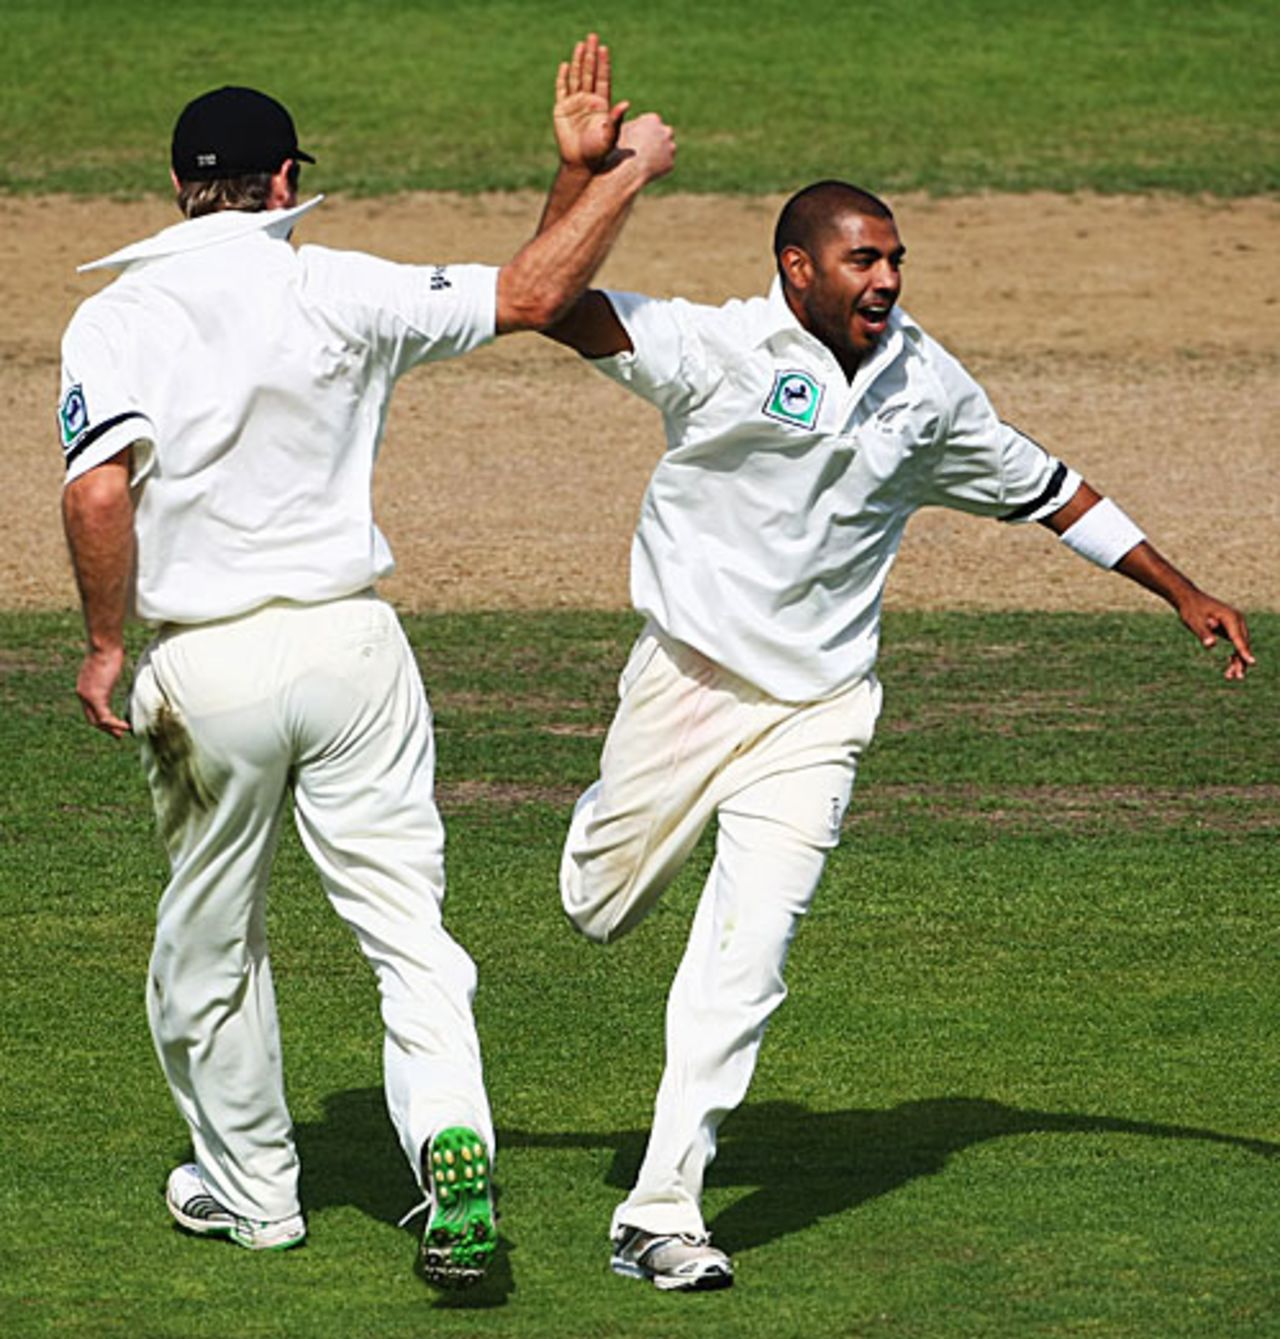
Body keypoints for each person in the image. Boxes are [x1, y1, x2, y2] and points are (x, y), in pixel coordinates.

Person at [538, 178, 1255, 1291]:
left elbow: (1048, 487)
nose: (884, 280)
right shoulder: (717, 348)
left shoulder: (927, 384)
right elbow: (553, 301)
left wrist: (1179, 589)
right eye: (861, 261)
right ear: (796, 268)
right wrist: (587, 180)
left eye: (893, 260)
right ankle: (612, 823)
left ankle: (660, 1210)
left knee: (748, 958)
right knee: (595, 904)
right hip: (687, 683)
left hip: (819, 710)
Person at [57, 37, 673, 1289]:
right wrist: (612, 176)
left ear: (180, 187)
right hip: (352, 649)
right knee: (408, 935)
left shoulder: (116, 315)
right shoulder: (341, 285)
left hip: (209, 664)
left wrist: (109, 643)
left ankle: (252, 1197)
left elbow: (98, 488)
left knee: (210, 944)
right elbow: (530, 295)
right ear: (285, 183)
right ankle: (451, 1150)